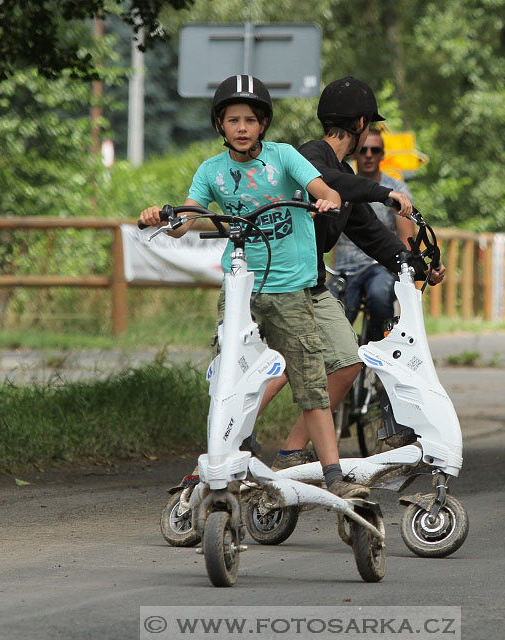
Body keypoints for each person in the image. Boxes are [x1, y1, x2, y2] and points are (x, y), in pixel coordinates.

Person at [137, 75, 367, 499]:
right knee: (232, 380)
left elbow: (321, 187)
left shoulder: (284, 159)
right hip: (242, 289)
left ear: (263, 124)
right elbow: (186, 219)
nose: (241, 128)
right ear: (220, 126)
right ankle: (218, 460)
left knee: (311, 381)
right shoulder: (212, 172)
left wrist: (326, 198)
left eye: (249, 120)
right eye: (232, 120)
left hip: (292, 289)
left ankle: (333, 473)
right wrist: (161, 217)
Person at [262, 77, 446, 467]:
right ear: (362, 123)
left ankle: (291, 452)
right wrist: (383, 192)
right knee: (281, 368)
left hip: (310, 286)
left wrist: (415, 264)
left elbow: (373, 235)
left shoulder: (341, 173)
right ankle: (225, 443)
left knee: (346, 364)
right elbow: (331, 182)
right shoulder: (310, 157)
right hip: (280, 285)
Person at [332, 127, 416, 341]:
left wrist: (409, 282)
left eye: (375, 150)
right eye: (364, 149)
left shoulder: (397, 190)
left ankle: (381, 348)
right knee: (334, 314)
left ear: (382, 155)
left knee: (379, 296)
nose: (369, 155)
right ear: (355, 152)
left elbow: (407, 240)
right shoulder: (340, 183)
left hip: (380, 266)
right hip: (344, 267)